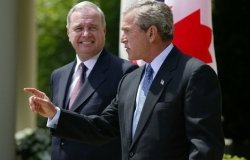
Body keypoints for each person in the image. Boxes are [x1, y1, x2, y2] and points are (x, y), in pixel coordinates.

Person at [24, 0, 225, 159]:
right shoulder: (131, 79)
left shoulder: (194, 74)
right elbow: (101, 127)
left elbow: (205, 148)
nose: (122, 39)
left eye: (127, 31)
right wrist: (55, 113)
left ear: (151, 33)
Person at [32, 1, 137, 160]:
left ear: (104, 31)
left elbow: (111, 129)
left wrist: (56, 113)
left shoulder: (126, 72)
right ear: (68, 33)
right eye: (79, 28)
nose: (86, 34)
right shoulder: (58, 75)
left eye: (93, 27)